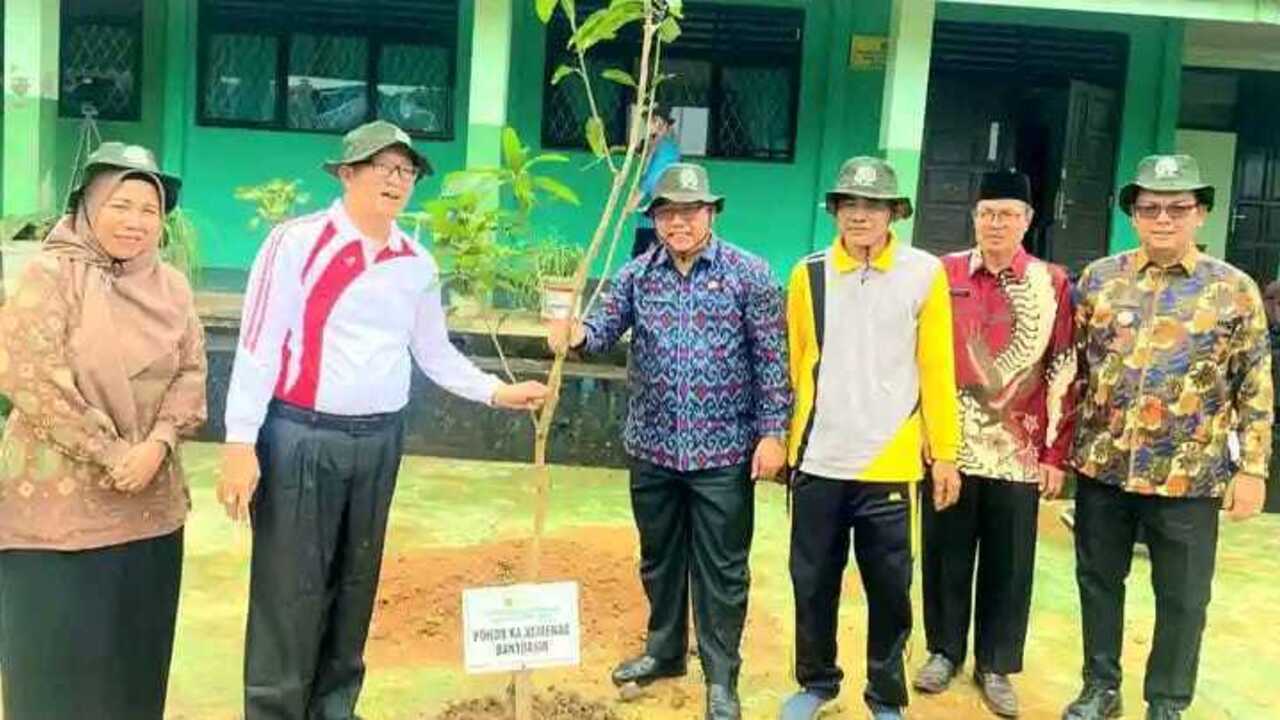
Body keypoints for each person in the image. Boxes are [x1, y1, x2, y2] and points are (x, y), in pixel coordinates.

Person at [218, 120, 549, 720]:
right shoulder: (297, 242)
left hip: (379, 440)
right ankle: (274, 711)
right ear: (347, 174)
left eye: (407, 171)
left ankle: (335, 708)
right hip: (301, 435)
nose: (397, 180)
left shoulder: (415, 262)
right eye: (383, 167)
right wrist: (240, 442)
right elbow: (258, 343)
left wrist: (497, 393)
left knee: (354, 584)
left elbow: (434, 351)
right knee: (289, 590)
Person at [549, 162, 790, 720]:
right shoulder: (637, 275)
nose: (678, 222)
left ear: (711, 214)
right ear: (654, 219)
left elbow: (772, 362)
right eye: (667, 213)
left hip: (723, 452)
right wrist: (577, 333)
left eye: (690, 211)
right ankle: (663, 652)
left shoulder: (749, 275)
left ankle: (721, 676)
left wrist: (773, 433)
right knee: (659, 559)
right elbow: (602, 327)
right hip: (653, 448)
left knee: (723, 569)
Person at [0, 142, 207, 719]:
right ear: (86, 206)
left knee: (132, 673)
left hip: (150, 512)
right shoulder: (49, 274)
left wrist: (158, 445)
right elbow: (31, 375)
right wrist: (113, 452)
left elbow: (192, 371)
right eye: (121, 204)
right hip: (56, 519)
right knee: (53, 678)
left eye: (149, 209)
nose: (136, 221)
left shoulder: (172, 288)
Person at [1063, 155, 1272, 720]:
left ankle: (1167, 701)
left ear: (1200, 213)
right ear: (1133, 214)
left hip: (1190, 474)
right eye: (1150, 207)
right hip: (1103, 465)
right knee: (1098, 581)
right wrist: (1057, 454)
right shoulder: (1099, 280)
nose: (1163, 218)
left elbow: (1254, 384)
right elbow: (1073, 371)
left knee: (1182, 598)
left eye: (1178, 207)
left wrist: (1252, 470)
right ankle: (1100, 688)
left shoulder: (1233, 289)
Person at [780, 156, 962, 720]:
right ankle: (816, 682)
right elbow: (797, 361)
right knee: (811, 582)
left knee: (889, 588)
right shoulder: (808, 274)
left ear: (893, 213)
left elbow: (937, 368)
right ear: (835, 210)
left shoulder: (924, 273)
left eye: (873, 205)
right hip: (818, 459)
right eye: (849, 204)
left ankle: (885, 696)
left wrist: (945, 454)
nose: (860, 216)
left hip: (889, 462)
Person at [914, 171, 1076, 718]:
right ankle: (943, 650)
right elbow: (922, 358)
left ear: (1027, 220)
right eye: (987, 213)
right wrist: (928, 438)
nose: (996, 224)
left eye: (1008, 214)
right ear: (975, 217)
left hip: (1019, 450)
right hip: (950, 446)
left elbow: (1062, 366)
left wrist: (1056, 454)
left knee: (1010, 562)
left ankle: (997, 664)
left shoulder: (1051, 282)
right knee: (944, 551)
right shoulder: (943, 273)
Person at [630, 105, 682, 258]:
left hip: (659, 214)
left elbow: (653, 179)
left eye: (649, 122)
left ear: (659, 123)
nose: (646, 126)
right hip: (650, 216)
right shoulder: (658, 146)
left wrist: (636, 198)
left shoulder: (667, 149)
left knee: (647, 257)